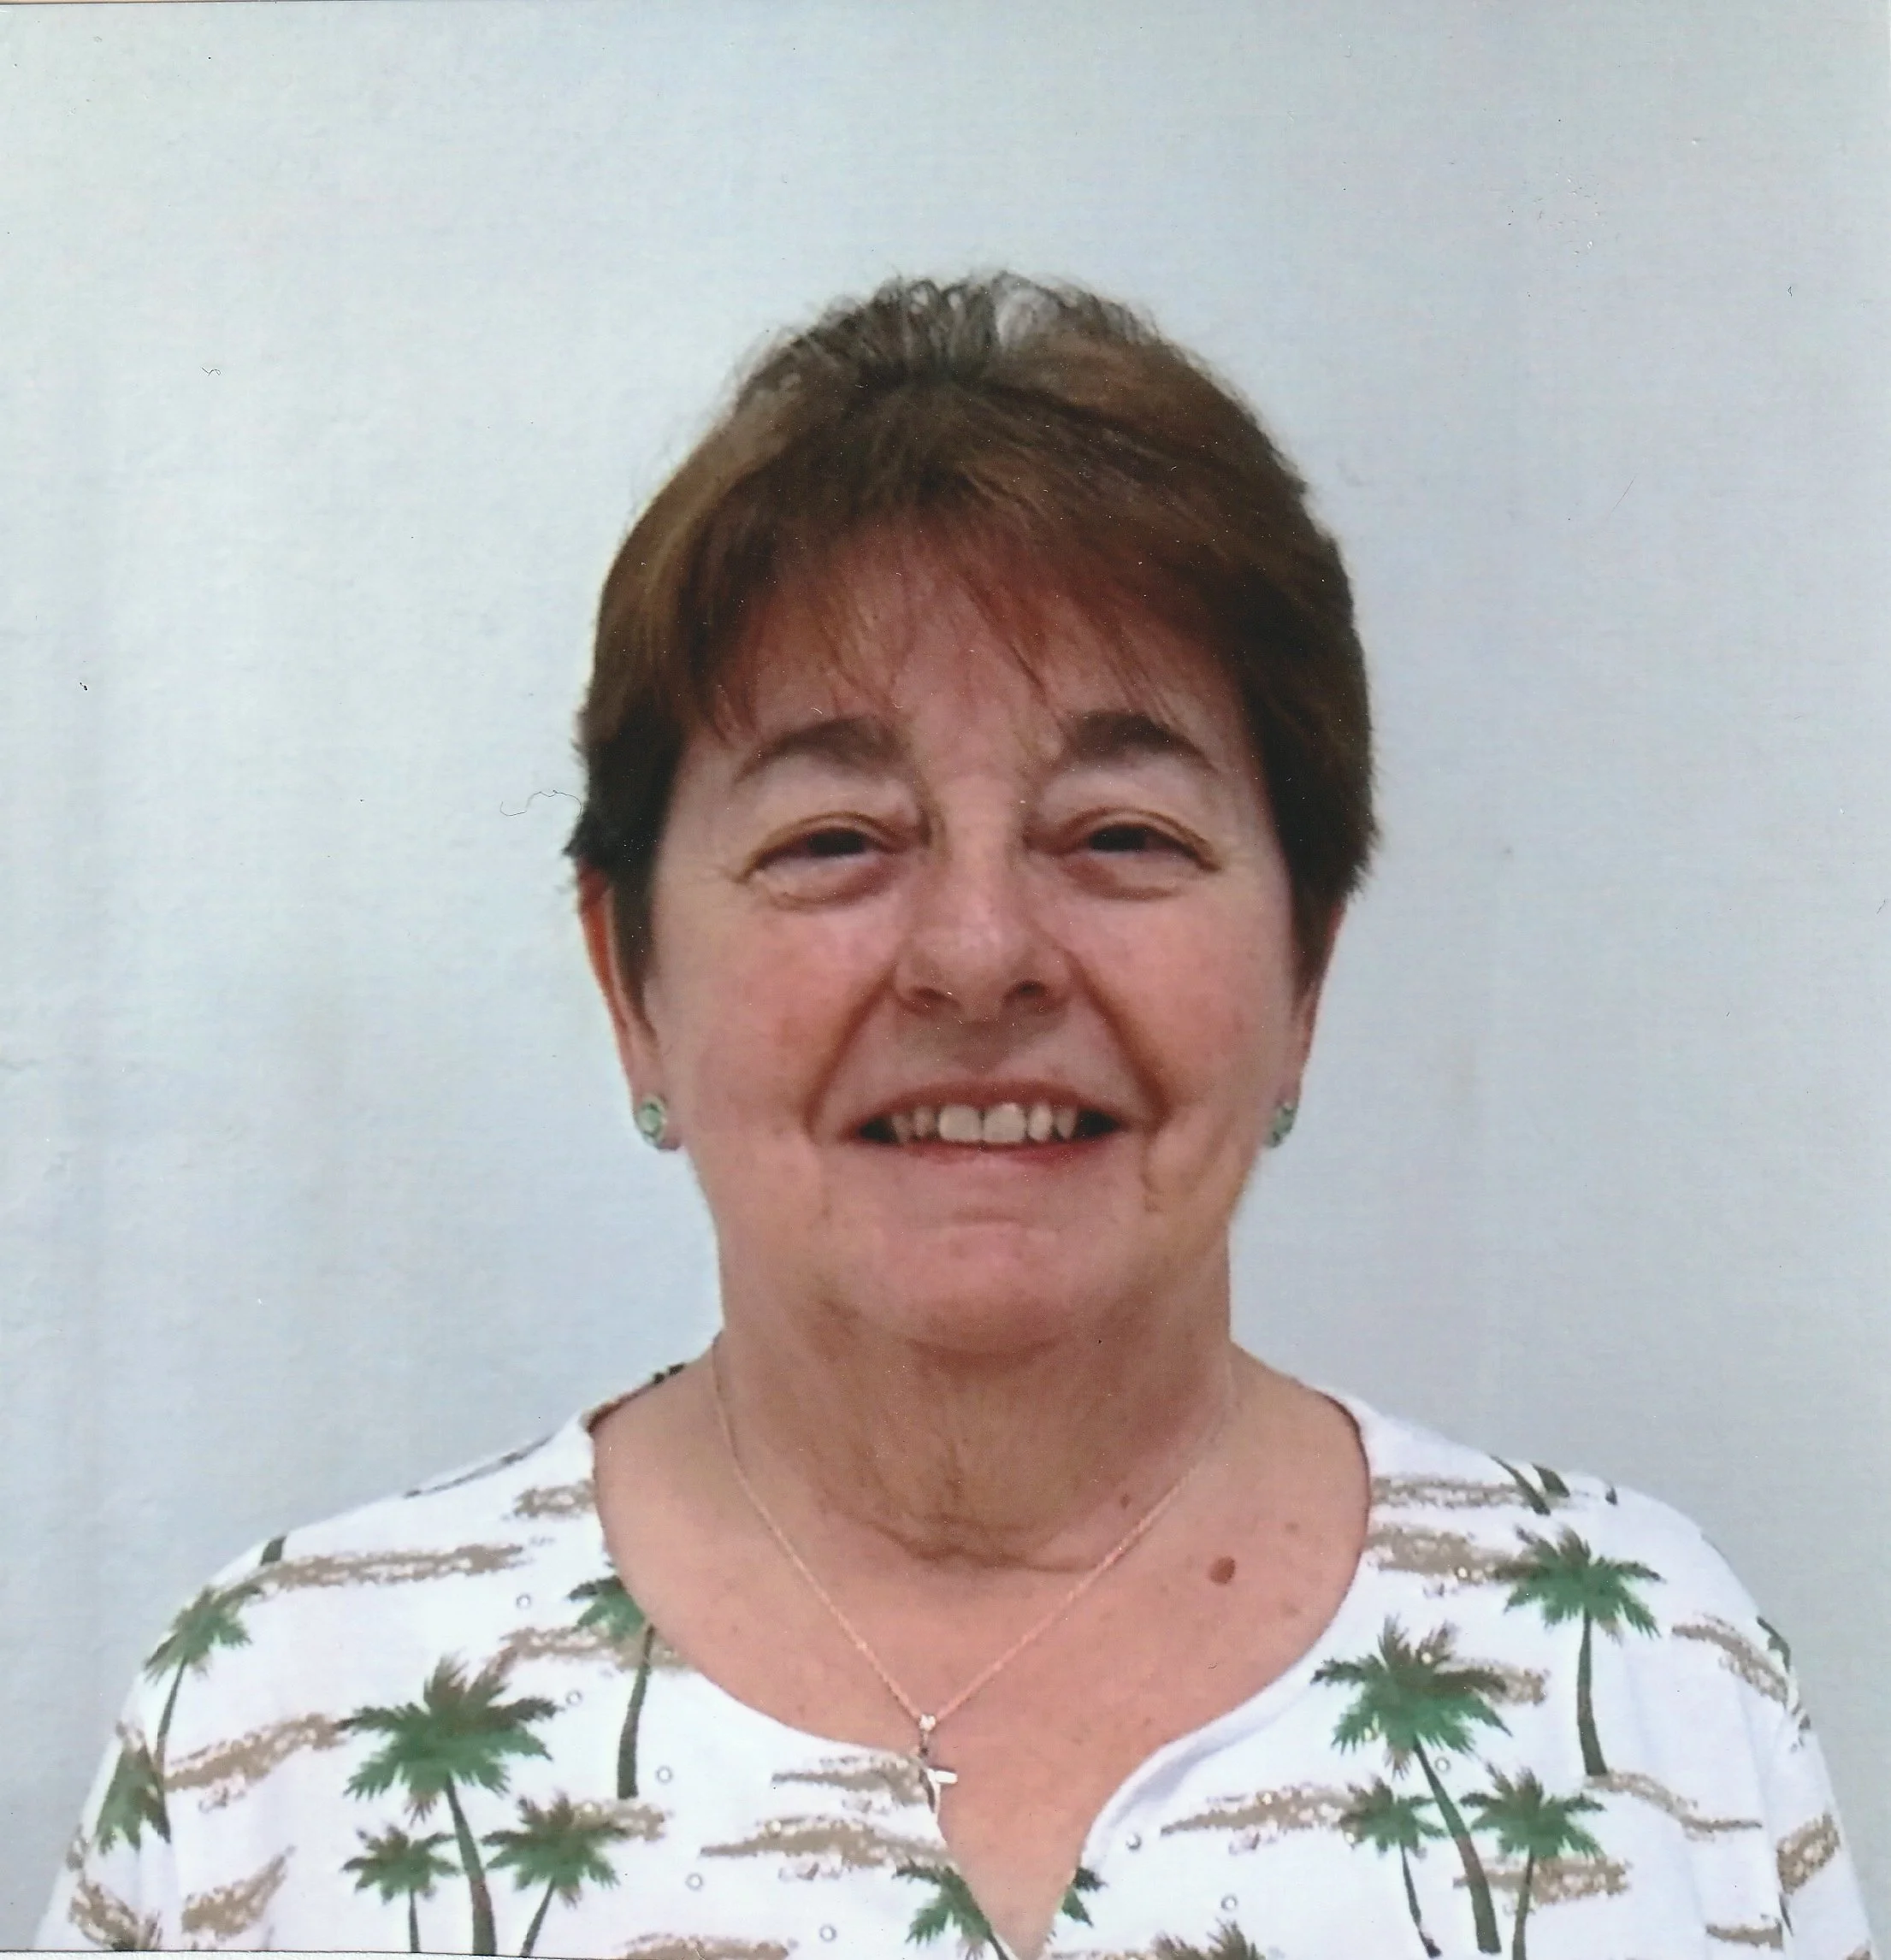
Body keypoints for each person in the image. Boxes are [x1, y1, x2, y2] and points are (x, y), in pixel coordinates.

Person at [40, 276, 1873, 1960]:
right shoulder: (269, 1735)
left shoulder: (1644, 1682)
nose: (980, 954)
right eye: (836, 839)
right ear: (630, 983)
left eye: (1123, 837)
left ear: (1304, 967)